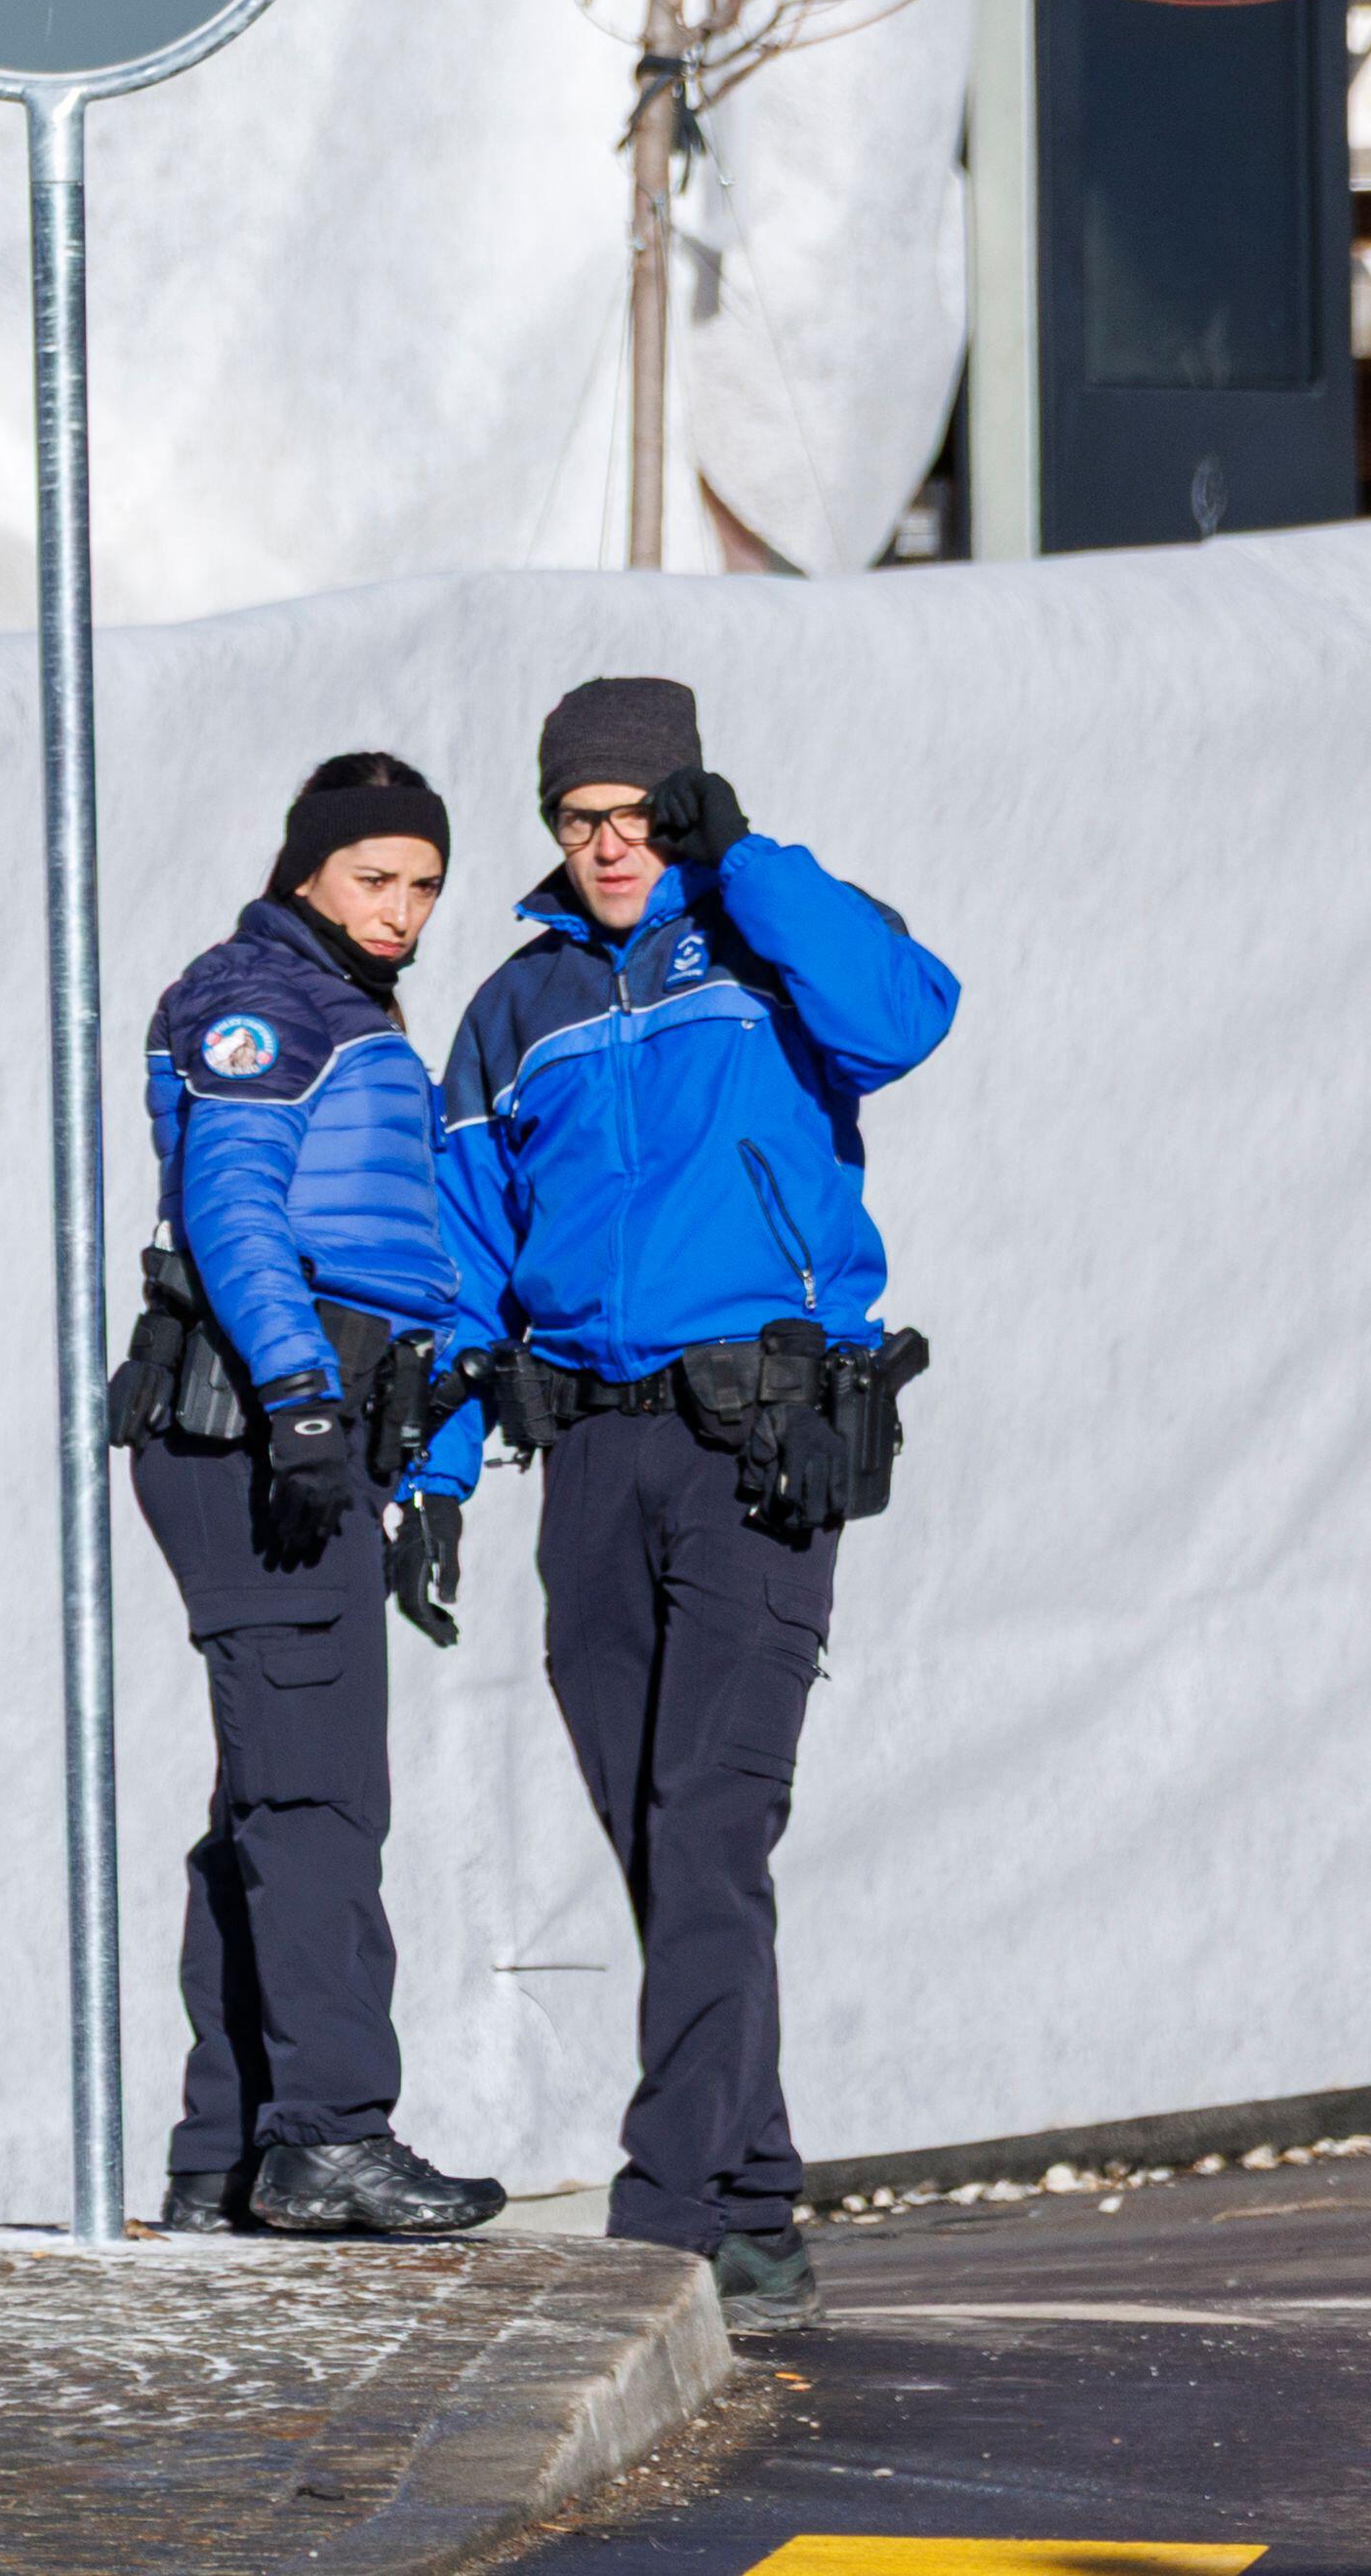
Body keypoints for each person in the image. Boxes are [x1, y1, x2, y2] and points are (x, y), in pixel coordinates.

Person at [435, 677, 959, 2341]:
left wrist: (744, 858)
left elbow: (904, 1015)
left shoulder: (772, 942)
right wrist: (440, 1462)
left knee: (710, 1815)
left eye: (635, 816)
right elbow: (459, 1235)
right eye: (577, 820)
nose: (605, 848)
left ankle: (663, 2216)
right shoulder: (512, 1005)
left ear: (683, 809)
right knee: (657, 1833)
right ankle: (754, 2200)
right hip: (588, 1453)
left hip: (757, 1441)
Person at [117, 751, 515, 2240]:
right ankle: (327, 2135)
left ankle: (224, 2151)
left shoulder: (340, 1004)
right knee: (318, 1798)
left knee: (273, 1800)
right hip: (251, 1432)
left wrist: (406, 1458)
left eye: (422, 883)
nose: (402, 908)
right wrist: (295, 1397)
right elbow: (230, 1200)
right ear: (307, 871)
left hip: (308, 1430)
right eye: (373, 876)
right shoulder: (261, 998)